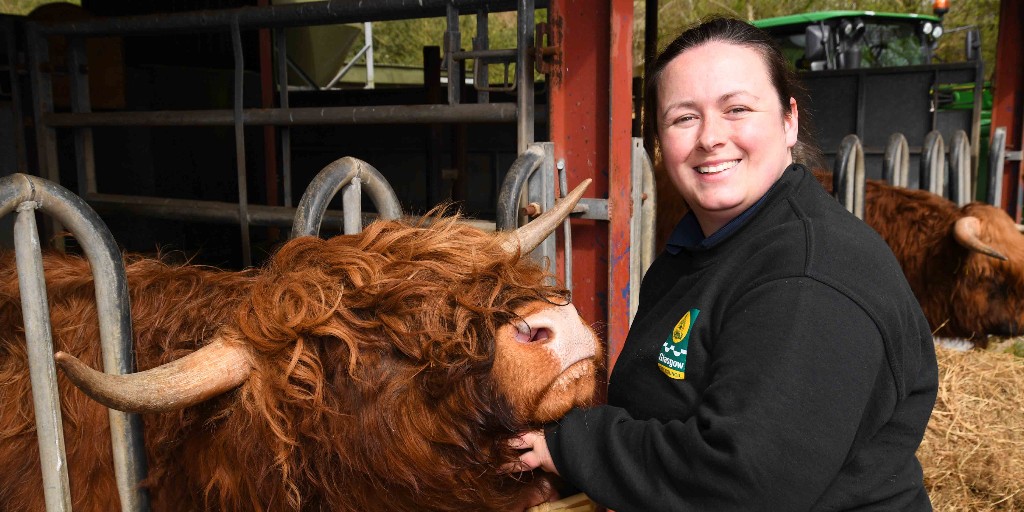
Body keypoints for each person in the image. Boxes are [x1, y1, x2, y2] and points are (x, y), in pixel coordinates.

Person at [512, 16, 939, 511]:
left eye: (737, 109)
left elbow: (743, 481)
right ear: (658, 140)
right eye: (683, 118)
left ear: (788, 120)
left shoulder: (810, 277)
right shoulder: (710, 246)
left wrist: (574, 445)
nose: (710, 138)